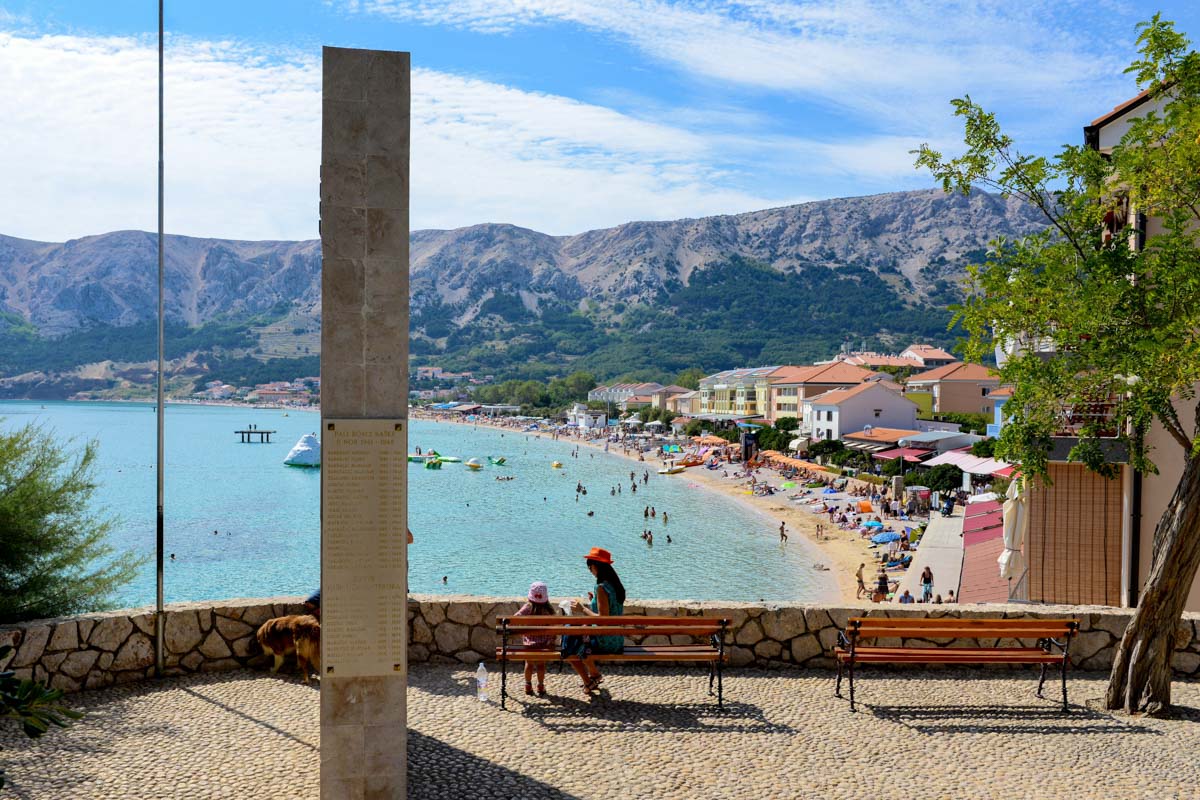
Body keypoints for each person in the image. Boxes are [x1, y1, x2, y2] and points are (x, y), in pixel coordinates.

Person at [565, 548, 626, 695]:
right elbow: (610, 611)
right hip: (617, 639)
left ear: (597, 566)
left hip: (605, 641)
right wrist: (594, 601)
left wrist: (582, 609)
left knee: (569, 646)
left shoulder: (601, 588)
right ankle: (593, 675)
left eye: (590, 567)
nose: (590, 570)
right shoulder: (616, 587)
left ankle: (591, 678)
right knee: (574, 641)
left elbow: (603, 620)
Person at [515, 581, 556, 697]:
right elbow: (554, 628)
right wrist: (551, 639)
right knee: (541, 665)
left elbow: (515, 619)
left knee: (529, 663)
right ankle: (540, 685)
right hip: (544, 645)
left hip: (529, 645)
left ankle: (528, 685)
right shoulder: (548, 610)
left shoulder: (527, 607)